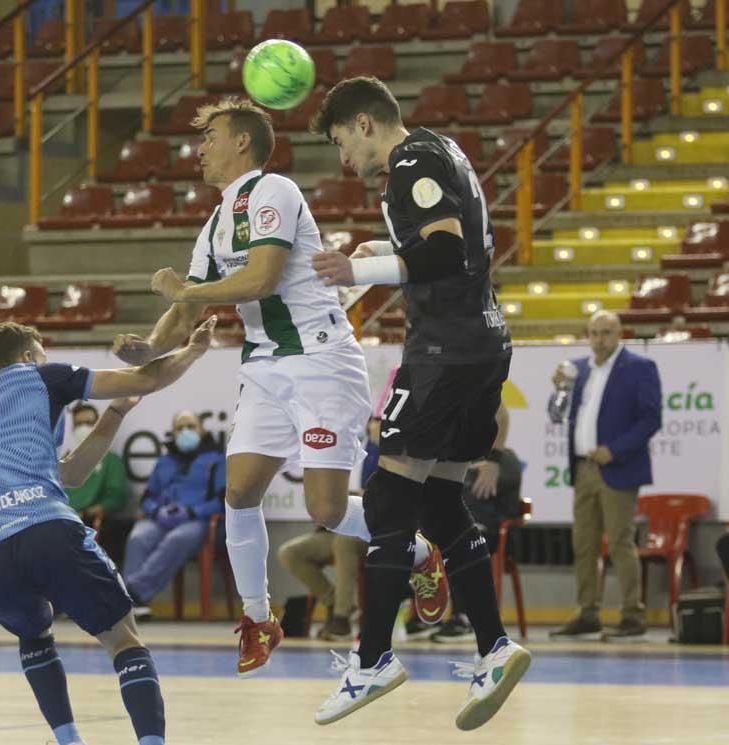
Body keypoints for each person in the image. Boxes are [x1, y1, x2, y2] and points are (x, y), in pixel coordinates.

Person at [111, 97, 446, 678]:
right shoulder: (216, 223)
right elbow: (187, 307)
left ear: (242, 141)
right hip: (264, 365)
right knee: (239, 492)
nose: (200, 148)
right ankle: (259, 617)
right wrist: (150, 347)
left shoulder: (276, 192)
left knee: (328, 509)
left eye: (210, 136)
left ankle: (420, 552)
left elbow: (261, 278)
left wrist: (183, 295)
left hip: (320, 359)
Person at [308, 76, 530, 730]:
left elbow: (444, 249)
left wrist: (360, 271)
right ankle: (494, 646)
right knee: (436, 500)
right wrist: (383, 251)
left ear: (366, 123)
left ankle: (372, 656)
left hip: (445, 351)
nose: (344, 158)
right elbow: (444, 245)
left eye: (343, 141)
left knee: (386, 496)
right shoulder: (443, 150)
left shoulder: (411, 161)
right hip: (483, 344)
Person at [0, 317, 217, 745]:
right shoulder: (40, 377)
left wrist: (115, 413)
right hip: (43, 526)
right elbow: (144, 377)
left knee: (34, 635)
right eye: (41, 351)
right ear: (25, 356)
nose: (45, 358)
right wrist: (192, 350)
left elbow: (71, 473)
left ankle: (69, 740)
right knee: (123, 637)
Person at [548, 310, 662, 642]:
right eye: (594, 333)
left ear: (620, 334)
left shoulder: (639, 368)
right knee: (583, 544)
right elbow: (556, 415)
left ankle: (632, 615)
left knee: (620, 542)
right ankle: (587, 613)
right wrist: (559, 390)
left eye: (606, 333)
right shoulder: (577, 370)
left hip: (618, 467)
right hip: (583, 468)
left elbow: (651, 419)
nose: (599, 339)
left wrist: (616, 449)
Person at [428, 404, 523, 642]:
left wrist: (471, 472)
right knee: (420, 538)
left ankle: (463, 617)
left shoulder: (506, 461)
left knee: (461, 540)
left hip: (494, 535)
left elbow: (472, 490)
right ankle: (419, 616)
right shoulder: (463, 459)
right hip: (465, 525)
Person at [123, 410, 226, 617]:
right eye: (180, 428)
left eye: (191, 426)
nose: (185, 431)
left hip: (198, 522)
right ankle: (135, 606)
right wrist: (157, 510)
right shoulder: (164, 462)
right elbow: (147, 498)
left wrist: (191, 511)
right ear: (173, 433)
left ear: (202, 430)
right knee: (138, 537)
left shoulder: (217, 461)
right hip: (162, 519)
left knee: (177, 539)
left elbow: (222, 501)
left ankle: (130, 594)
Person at [64, 402, 134, 565]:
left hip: (93, 521)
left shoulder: (112, 461)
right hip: (65, 520)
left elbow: (117, 496)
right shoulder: (64, 462)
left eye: (89, 423)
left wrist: (98, 508)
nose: (83, 428)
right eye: (79, 424)